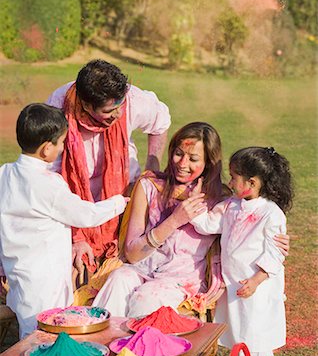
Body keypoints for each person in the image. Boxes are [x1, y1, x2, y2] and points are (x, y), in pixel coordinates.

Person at [92, 124, 289, 319]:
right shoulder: (150, 186)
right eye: (179, 153)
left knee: (147, 298)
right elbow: (132, 255)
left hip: (179, 279)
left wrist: (276, 241)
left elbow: (253, 220)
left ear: (209, 163)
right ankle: (96, 346)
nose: (182, 163)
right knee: (118, 280)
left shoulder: (221, 200)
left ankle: (134, 350)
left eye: (193, 159)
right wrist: (175, 220)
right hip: (141, 267)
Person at [0, 104, 128, 338]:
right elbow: (85, 214)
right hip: (46, 279)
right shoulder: (48, 184)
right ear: (47, 149)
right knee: (43, 336)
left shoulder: (5, 173)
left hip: (17, 273)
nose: (62, 148)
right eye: (61, 143)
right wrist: (117, 203)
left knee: (29, 330)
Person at [46, 59, 171, 274]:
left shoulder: (132, 99)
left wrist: (152, 166)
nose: (119, 114)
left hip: (123, 197)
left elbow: (161, 121)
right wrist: (76, 235)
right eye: (109, 110)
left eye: (120, 106)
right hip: (73, 203)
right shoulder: (59, 106)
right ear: (85, 105)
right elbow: (50, 174)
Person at [190, 146, 294, 356]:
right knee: (240, 331)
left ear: (252, 182)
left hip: (258, 287)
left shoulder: (271, 213)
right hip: (235, 284)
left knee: (256, 334)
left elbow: (275, 253)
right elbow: (208, 224)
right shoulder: (230, 206)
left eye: (234, 178)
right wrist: (190, 207)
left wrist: (257, 280)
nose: (230, 182)